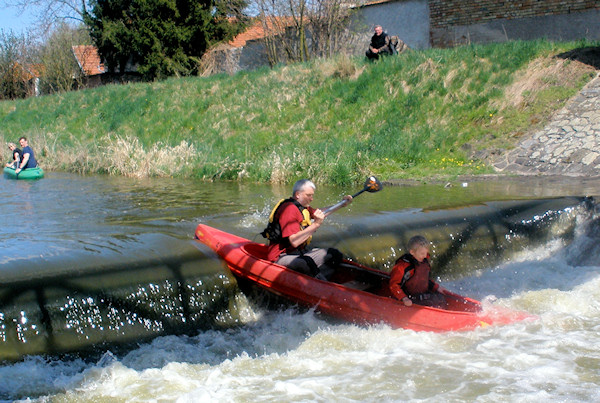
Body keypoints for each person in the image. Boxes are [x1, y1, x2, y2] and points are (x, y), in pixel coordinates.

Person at [263, 179, 352, 280]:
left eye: (312, 195)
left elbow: (321, 213)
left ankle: (319, 278)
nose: (311, 199)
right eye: (309, 195)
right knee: (306, 262)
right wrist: (316, 224)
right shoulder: (289, 210)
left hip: (298, 252)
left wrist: (341, 204)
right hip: (280, 257)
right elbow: (294, 241)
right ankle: (323, 285)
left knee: (334, 254)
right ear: (298, 194)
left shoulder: (301, 207)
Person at [389, 235, 449, 308]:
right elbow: (394, 285)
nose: (424, 256)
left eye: (426, 253)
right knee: (432, 301)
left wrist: (436, 287)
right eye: (422, 254)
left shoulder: (424, 262)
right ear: (412, 252)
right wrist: (404, 298)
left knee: (440, 298)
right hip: (408, 297)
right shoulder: (403, 267)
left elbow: (424, 279)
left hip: (420, 295)